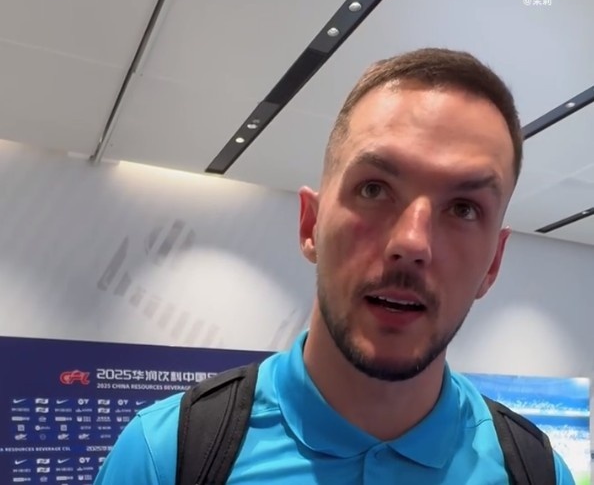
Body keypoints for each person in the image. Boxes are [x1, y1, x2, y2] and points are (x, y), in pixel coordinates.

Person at [94, 48, 575, 484]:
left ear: (494, 263)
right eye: (374, 189)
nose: (412, 243)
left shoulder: (536, 472)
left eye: (464, 209)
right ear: (310, 224)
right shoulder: (164, 456)